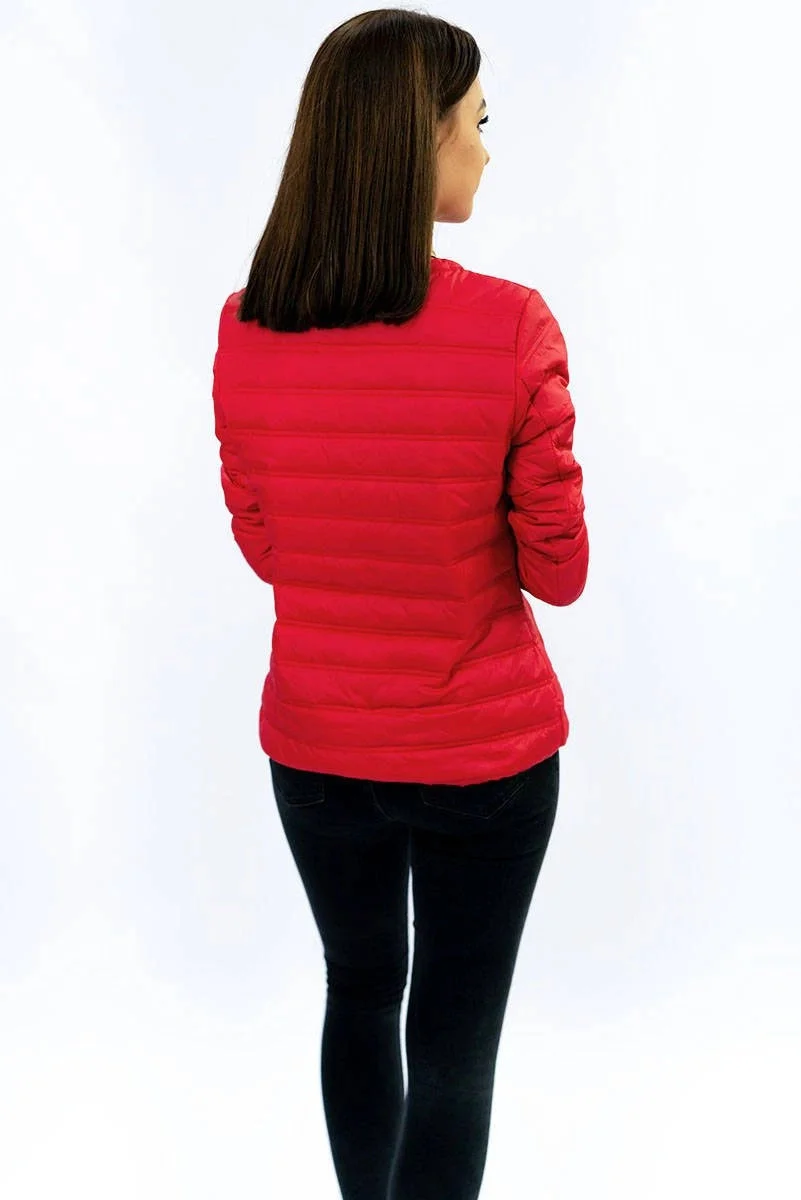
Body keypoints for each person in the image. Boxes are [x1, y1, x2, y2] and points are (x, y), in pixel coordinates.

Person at [211, 9, 589, 1199]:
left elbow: (268, 549)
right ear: (417, 142)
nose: (487, 147)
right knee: (455, 1039)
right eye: (477, 122)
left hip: (318, 750)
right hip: (486, 759)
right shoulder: (513, 324)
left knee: (361, 993)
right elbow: (560, 571)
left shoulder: (247, 325)